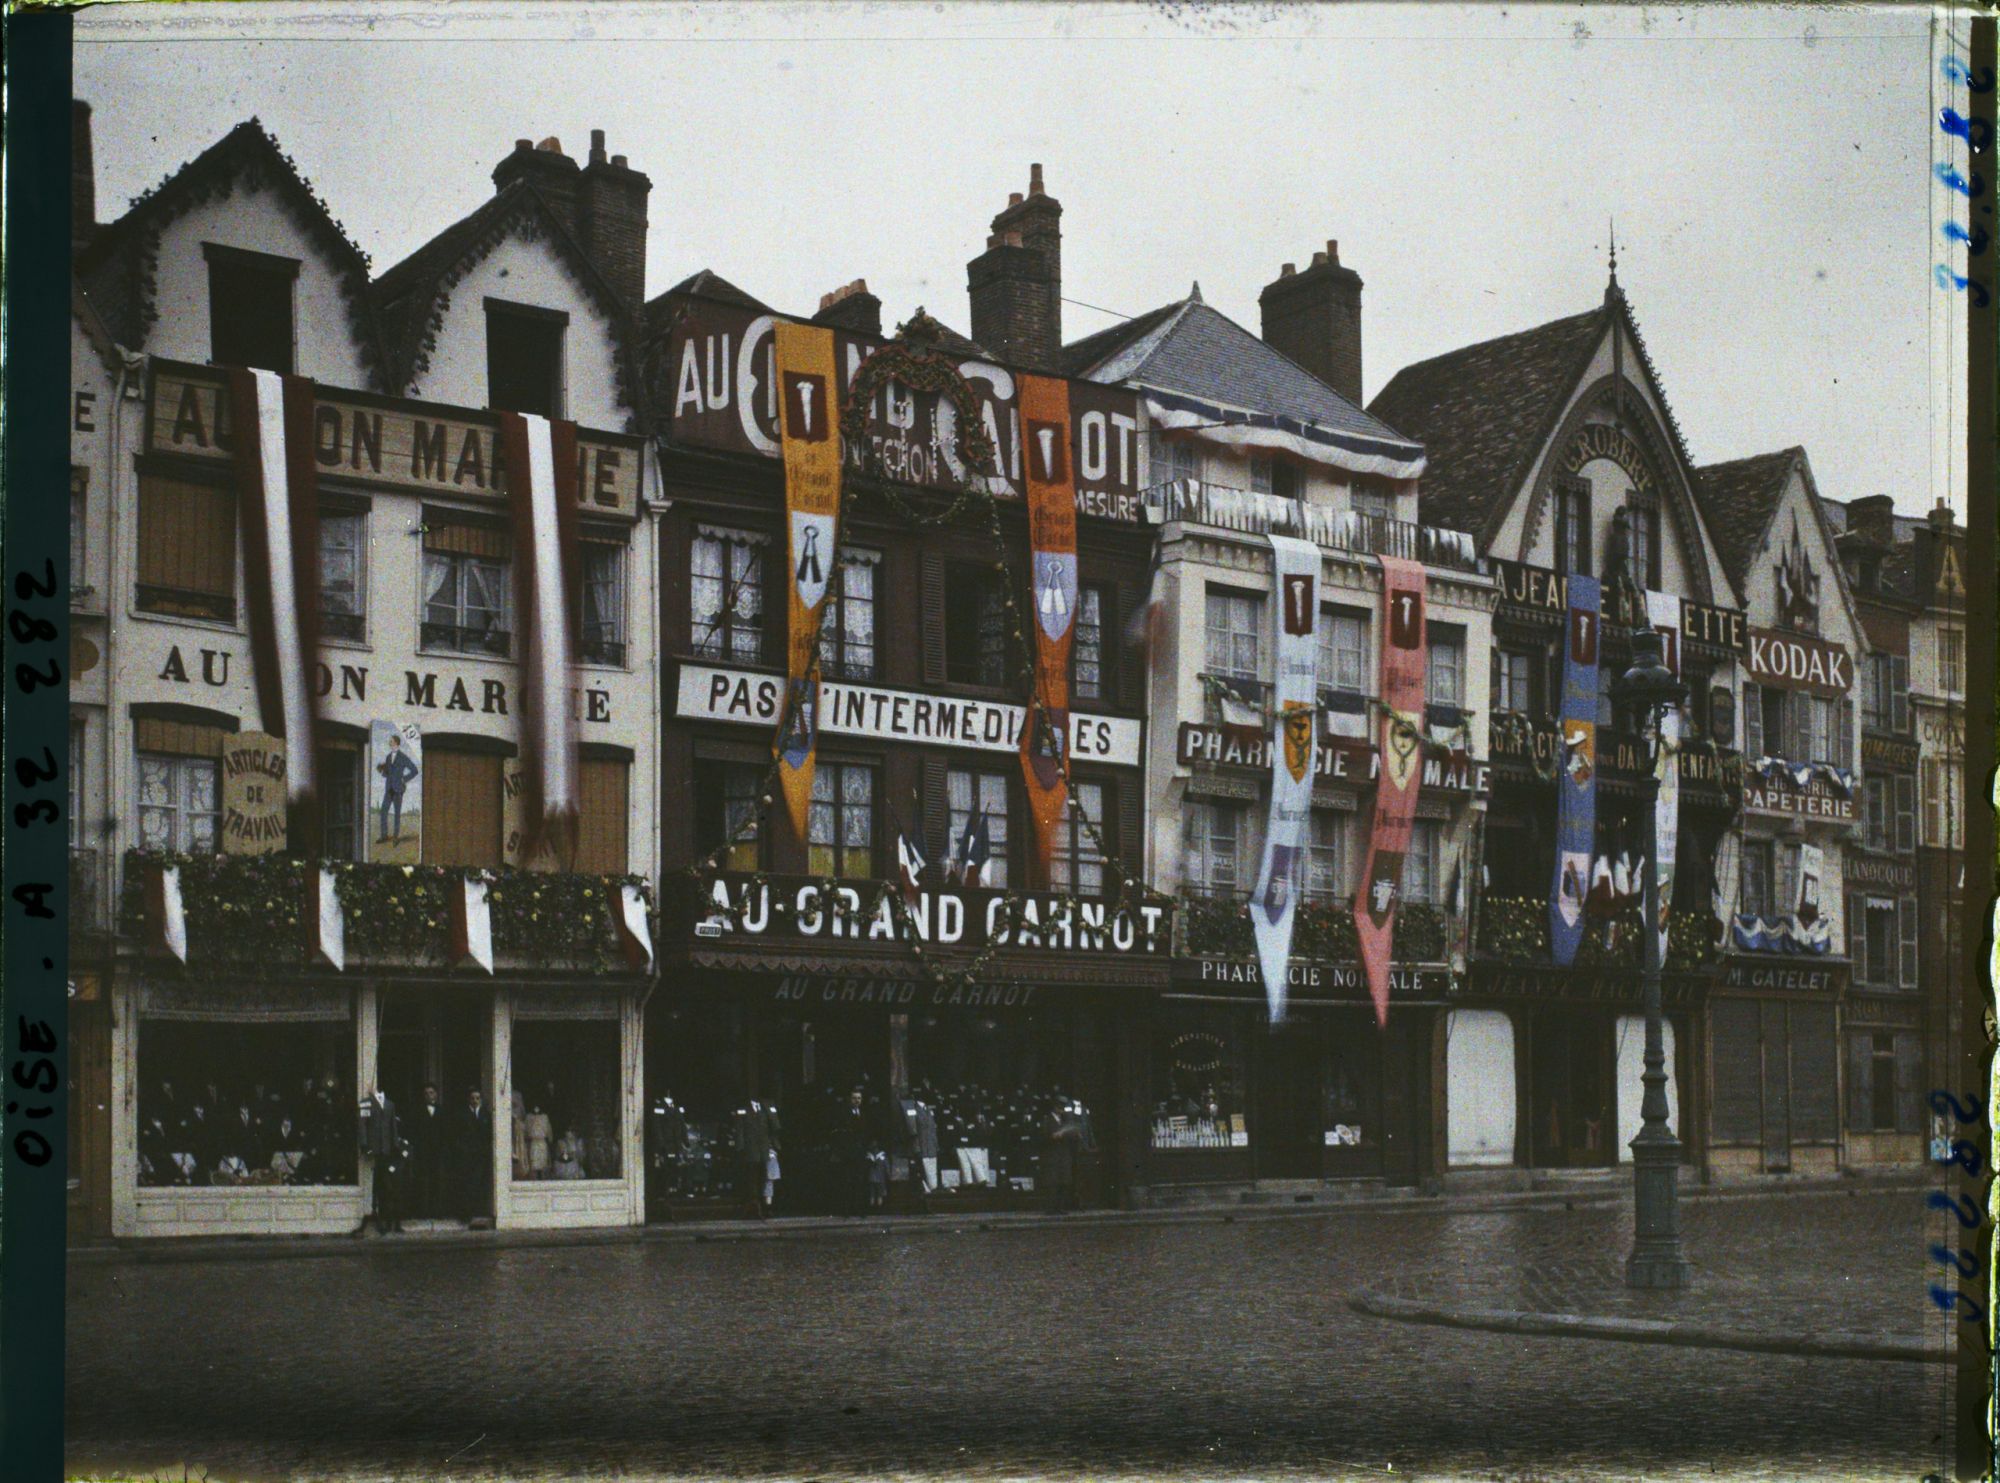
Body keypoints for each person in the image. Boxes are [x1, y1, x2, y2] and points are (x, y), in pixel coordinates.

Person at [406, 1082, 448, 1218]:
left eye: (431, 1092)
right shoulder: (417, 1111)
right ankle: (423, 1211)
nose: (428, 1095)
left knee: (438, 1181)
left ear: (436, 1094)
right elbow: (413, 1131)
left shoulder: (442, 1111)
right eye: (426, 1093)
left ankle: (438, 1211)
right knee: (423, 1181)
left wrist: (443, 1148)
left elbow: (446, 1132)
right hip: (423, 1152)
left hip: (438, 1152)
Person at [454, 1087, 493, 1223]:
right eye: (473, 1098)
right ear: (468, 1100)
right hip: (466, 1155)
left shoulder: (486, 1115)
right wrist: (462, 1150)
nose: (475, 1101)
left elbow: (489, 1135)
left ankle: (478, 1211)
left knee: (478, 1183)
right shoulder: (462, 1114)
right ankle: (465, 1213)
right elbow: (457, 1134)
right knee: (466, 1184)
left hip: (481, 1155)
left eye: (477, 1098)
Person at [375, 731, 419, 843]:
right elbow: (388, 772)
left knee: (397, 813)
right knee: (383, 811)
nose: (390, 744)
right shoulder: (388, 757)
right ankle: (384, 835)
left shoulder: (403, 757)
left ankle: (395, 837)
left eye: (391, 742)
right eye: (390, 742)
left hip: (398, 789)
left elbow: (415, 770)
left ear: (397, 744)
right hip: (389, 788)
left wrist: (404, 779)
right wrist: (382, 772)